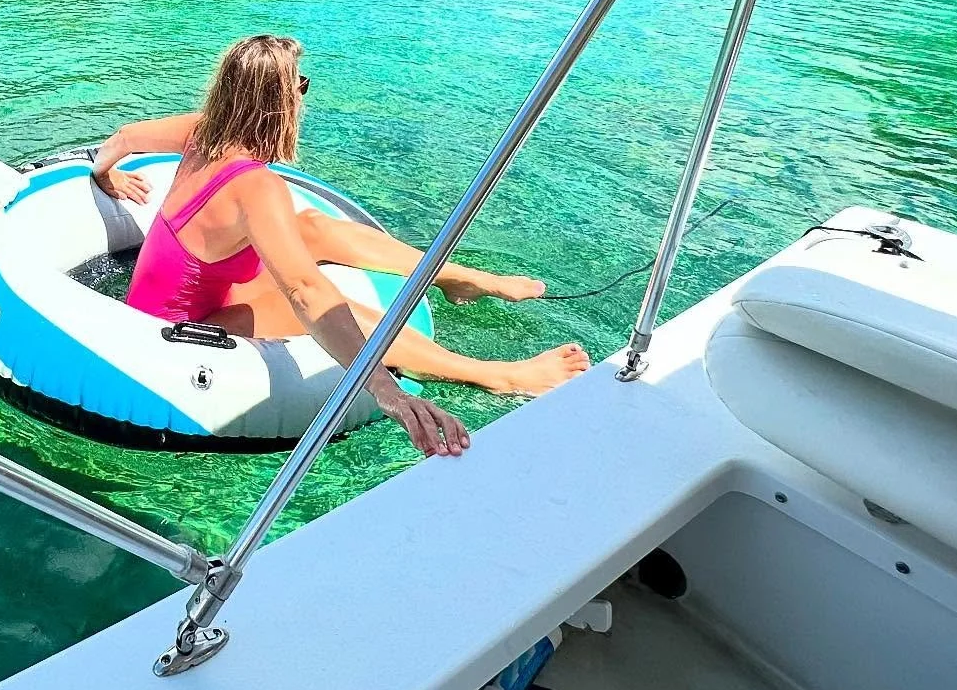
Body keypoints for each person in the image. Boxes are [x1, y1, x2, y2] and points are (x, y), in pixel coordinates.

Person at [90, 36, 589, 456]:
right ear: (279, 102)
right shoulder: (255, 187)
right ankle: (497, 375)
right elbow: (306, 292)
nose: (302, 95)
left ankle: (457, 276)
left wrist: (104, 174)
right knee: (344, 309)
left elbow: (125, 136)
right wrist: (389, 395)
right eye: (300, 84)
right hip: (178, 328)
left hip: (180, 295)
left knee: (314, 227)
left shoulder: (202, 133)